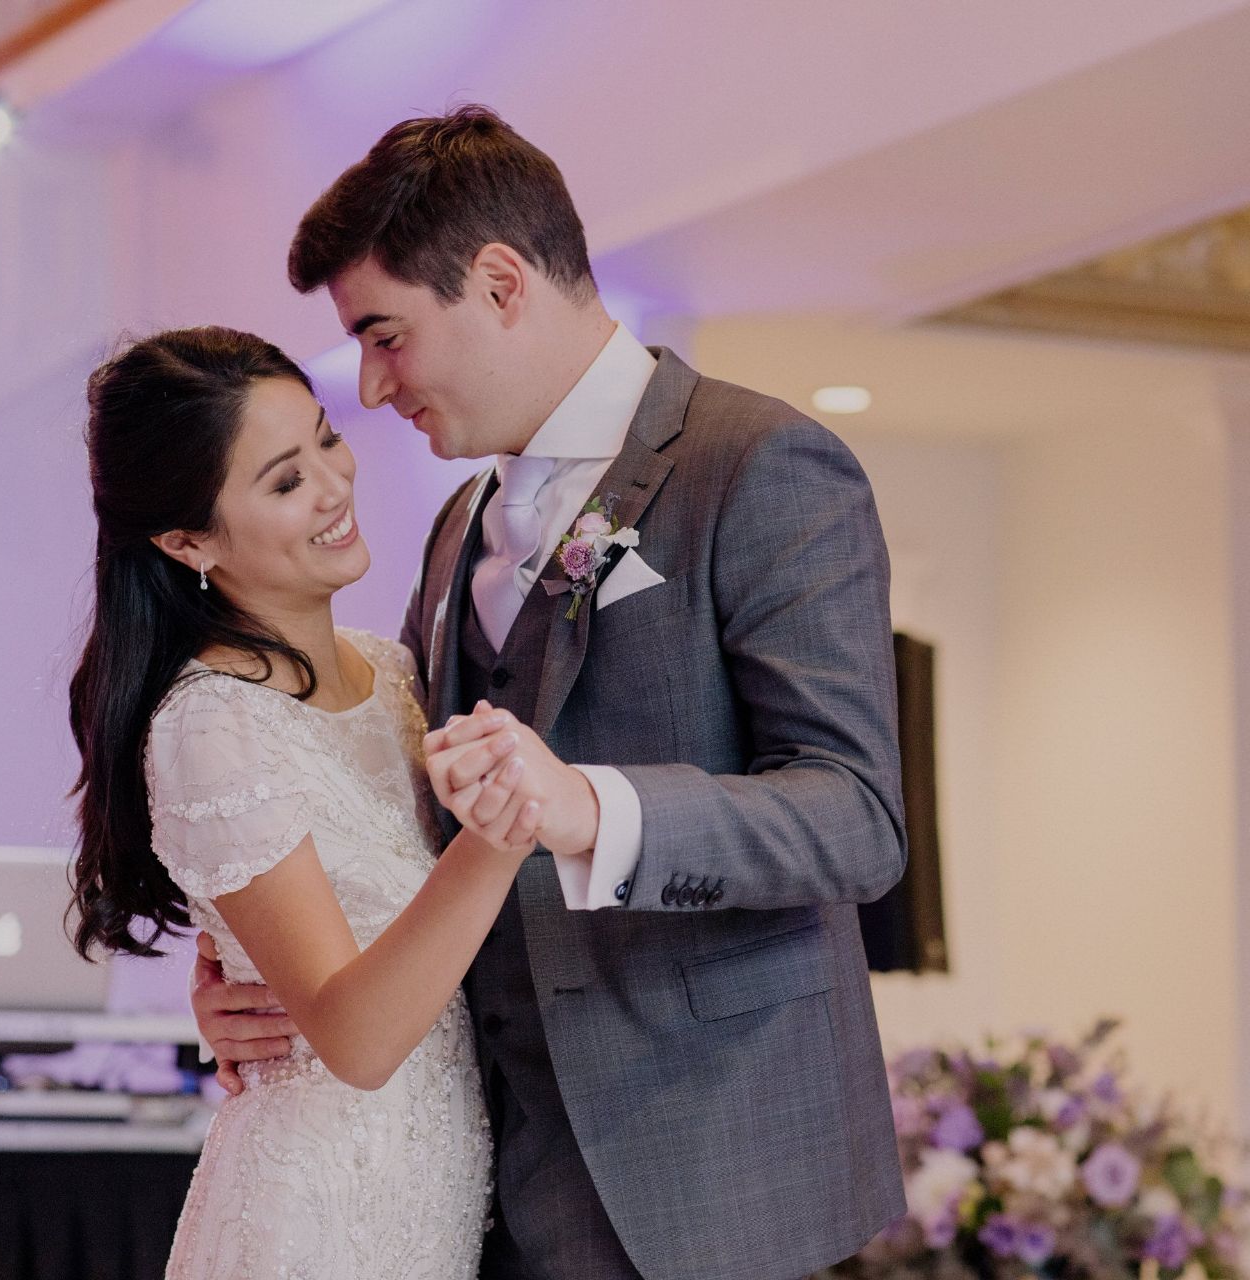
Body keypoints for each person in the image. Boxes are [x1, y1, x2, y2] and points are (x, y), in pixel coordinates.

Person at [193, 106, 908, 1280]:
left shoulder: (759, 464)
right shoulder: (450, 529)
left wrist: (590, 805)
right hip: (487, 1185)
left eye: (386, 335)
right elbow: (404, 813)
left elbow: (855, 815)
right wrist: (263, 977)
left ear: (500, 280)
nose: (371, 387)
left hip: (712, 1177)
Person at [66, 327, 544, 1279]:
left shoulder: (397, 671)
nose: (334, 485)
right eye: (284, 481)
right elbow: (357, 1037)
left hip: (437, 1207)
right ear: (186, 540)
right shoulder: (211, 725)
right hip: (317, 1219)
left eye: (326, 439)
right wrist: (494, 840)